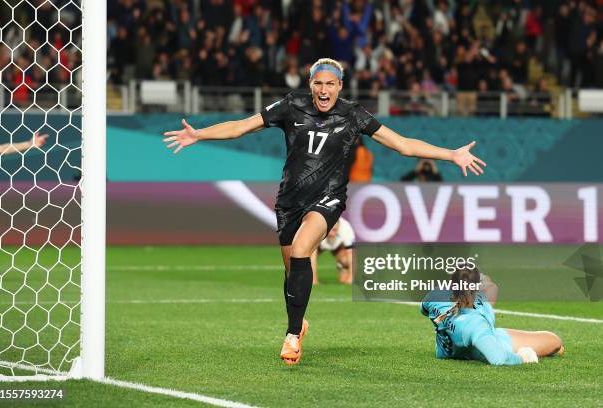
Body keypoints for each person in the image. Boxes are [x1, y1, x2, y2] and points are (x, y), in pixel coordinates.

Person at [163, 57, 486, 365]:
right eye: (318, 83)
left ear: (340, 86)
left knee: (304, 250)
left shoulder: (353, 114)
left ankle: (291, 336)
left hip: (328, 199)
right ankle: (298, 323)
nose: (323, 90)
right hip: (289, 200)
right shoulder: (291, 105)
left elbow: (401, 144)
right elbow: (242, 126)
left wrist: (451, 154)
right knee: (293, 273)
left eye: (330, 83)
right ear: (310, 84)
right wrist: (199, 134)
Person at [421, 266, 564, 365]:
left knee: (491, 288)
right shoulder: (476, 325)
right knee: (555, 341)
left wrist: (448, 322)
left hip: (448, 350)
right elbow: (499, 358)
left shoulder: (435, 295)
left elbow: (424, 310)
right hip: (494, 341)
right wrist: (523, 357)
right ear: (476, 288)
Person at [312, 217, 355, 285]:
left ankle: (341, 267)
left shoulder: (346, 227)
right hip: (318, 246)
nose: (331, 234)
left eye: (334, 230)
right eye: (330, 230)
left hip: (338, 247)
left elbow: (350, 253)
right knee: (307, 258)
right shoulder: (317, 227)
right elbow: (312, 254)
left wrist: (350, 278)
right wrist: (314, 280)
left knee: (346, 260)